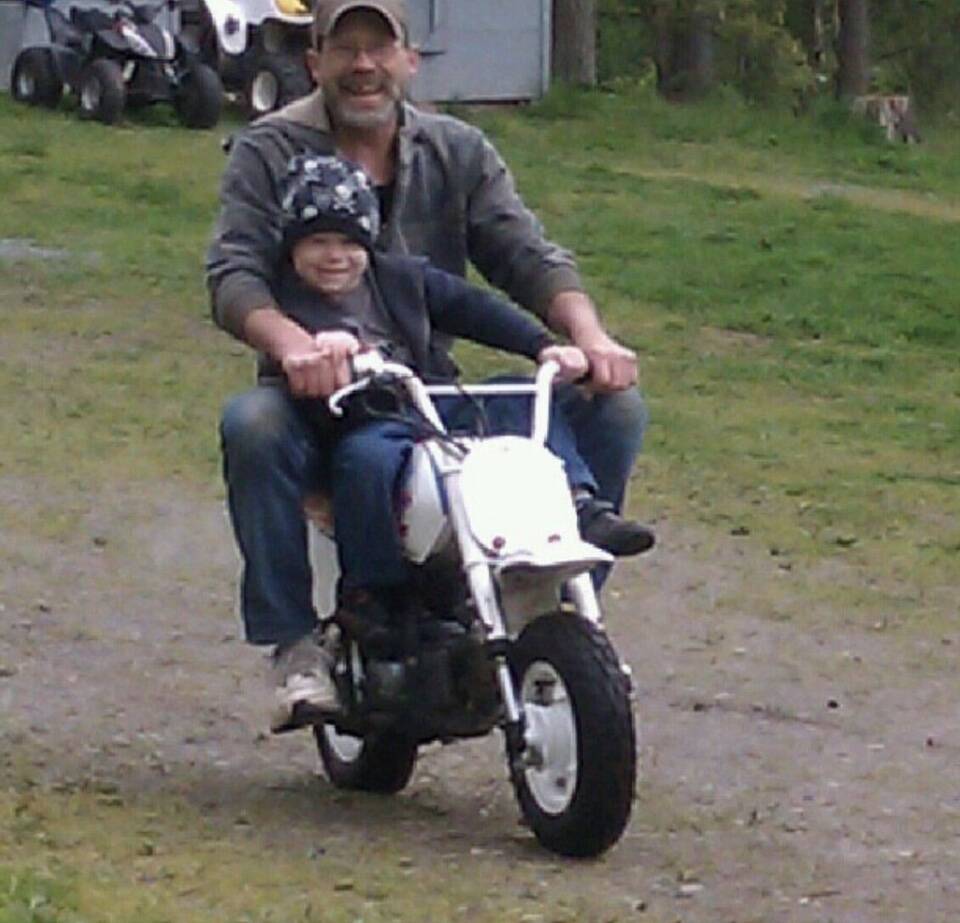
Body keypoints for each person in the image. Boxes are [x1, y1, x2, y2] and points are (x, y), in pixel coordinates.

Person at [206, 0, 651, 728]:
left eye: (380, 48)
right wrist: (293, 346)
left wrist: (583, 340)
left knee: (610, 407)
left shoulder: (457, 150)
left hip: (423, 392)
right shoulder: (269, 148)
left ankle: (546, 615)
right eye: (342, 49)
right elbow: (234, 274)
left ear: (410, 59)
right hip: (316, 395)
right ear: (313, 61)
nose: (363, 66)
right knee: (252, 423)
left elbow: (525, 258)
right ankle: (298, 644)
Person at [261, 153, 652, 730]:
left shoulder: (402, 277)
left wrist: (543, 347)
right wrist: (321, 350)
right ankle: (373, 595)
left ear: (370, 239)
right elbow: (286, 346)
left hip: (432, 406)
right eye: (316, 241)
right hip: (361, 420)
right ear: (292, 246)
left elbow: (474, 308)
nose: (334, 256)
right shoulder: (287, 304)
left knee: (522, 400)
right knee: (368, 462)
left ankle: (577, 505)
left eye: (348, 240)